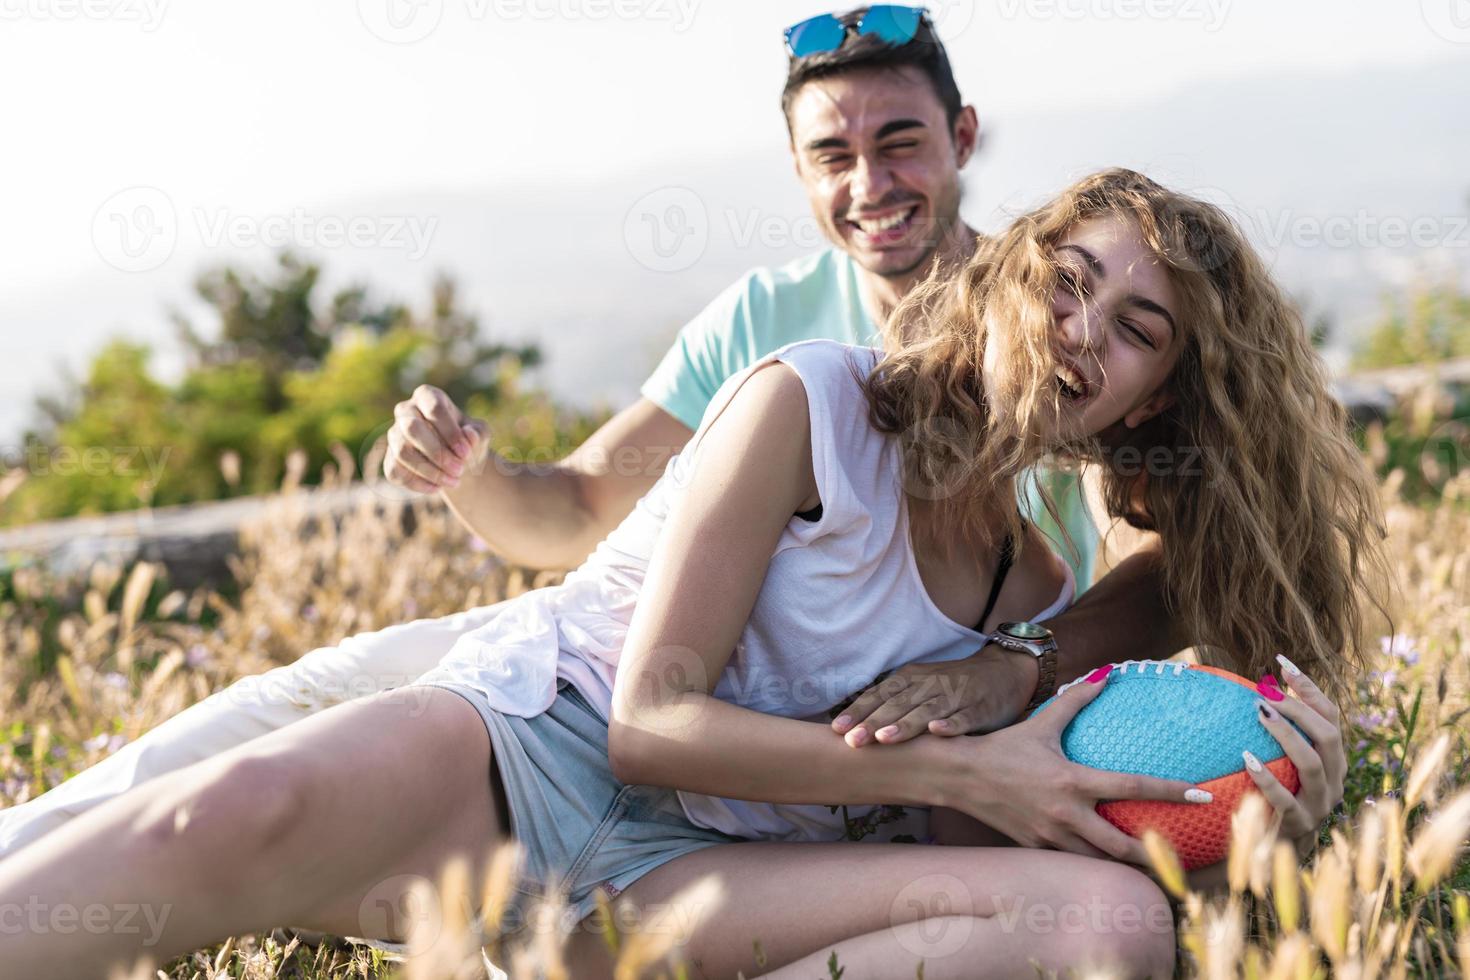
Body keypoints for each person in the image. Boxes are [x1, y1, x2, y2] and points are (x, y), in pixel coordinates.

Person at [0, 169, 1388, 980]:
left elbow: (1058, 826)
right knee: (233, 807)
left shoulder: (1025, 596)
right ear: (1012, 272)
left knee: (1107, 924)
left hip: (694, 887)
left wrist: (1269, 816)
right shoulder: (812, 402)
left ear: (1148, 401)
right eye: (1067, 279)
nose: (1079, 326)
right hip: (518, 763)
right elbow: (645, 723)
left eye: (1135, 327)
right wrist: (964, 767)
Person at [0, 6, 1176, 860]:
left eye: (901, 141)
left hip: (825, 756)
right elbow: (574, 516)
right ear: (798, 171)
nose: (870, 180)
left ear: (964, 136)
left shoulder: (1061, 338)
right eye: (833, 153)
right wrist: (472, 475)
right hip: (608, 665)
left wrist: (1006, 665)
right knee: (276, 711)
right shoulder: (768, 321)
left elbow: (1169, 565)